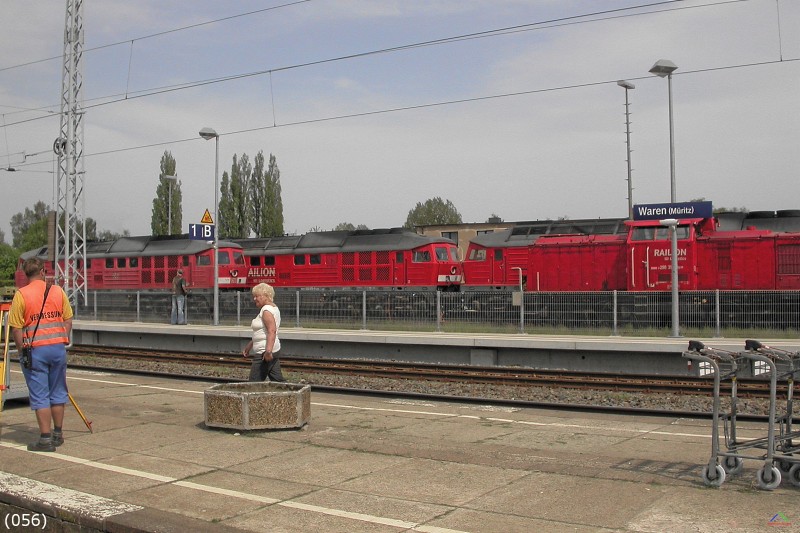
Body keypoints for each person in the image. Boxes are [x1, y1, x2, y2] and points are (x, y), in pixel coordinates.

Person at [9, 258, 73, 452]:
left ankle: (45, 439)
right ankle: (58, 434)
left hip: (36, 350)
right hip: (58, 349)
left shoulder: (21, 295)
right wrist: (61, 338)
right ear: (43, 272)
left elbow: (16, 329)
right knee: (58, 392)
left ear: (25, 274)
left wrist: (22, 351)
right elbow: (68, 319)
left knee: (40, 395)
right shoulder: (58, 291)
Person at [242, 283, 285, 382]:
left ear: (264, 296)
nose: (254, 299)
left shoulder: (266, 310)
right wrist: (250, 345)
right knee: (277, 380)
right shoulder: (273, 308)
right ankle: (291, 391)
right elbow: (262, 332)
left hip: (264, 352)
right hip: (271, 349)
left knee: (254, 382)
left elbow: (271, 331)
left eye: (256, 296)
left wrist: (268, 352)